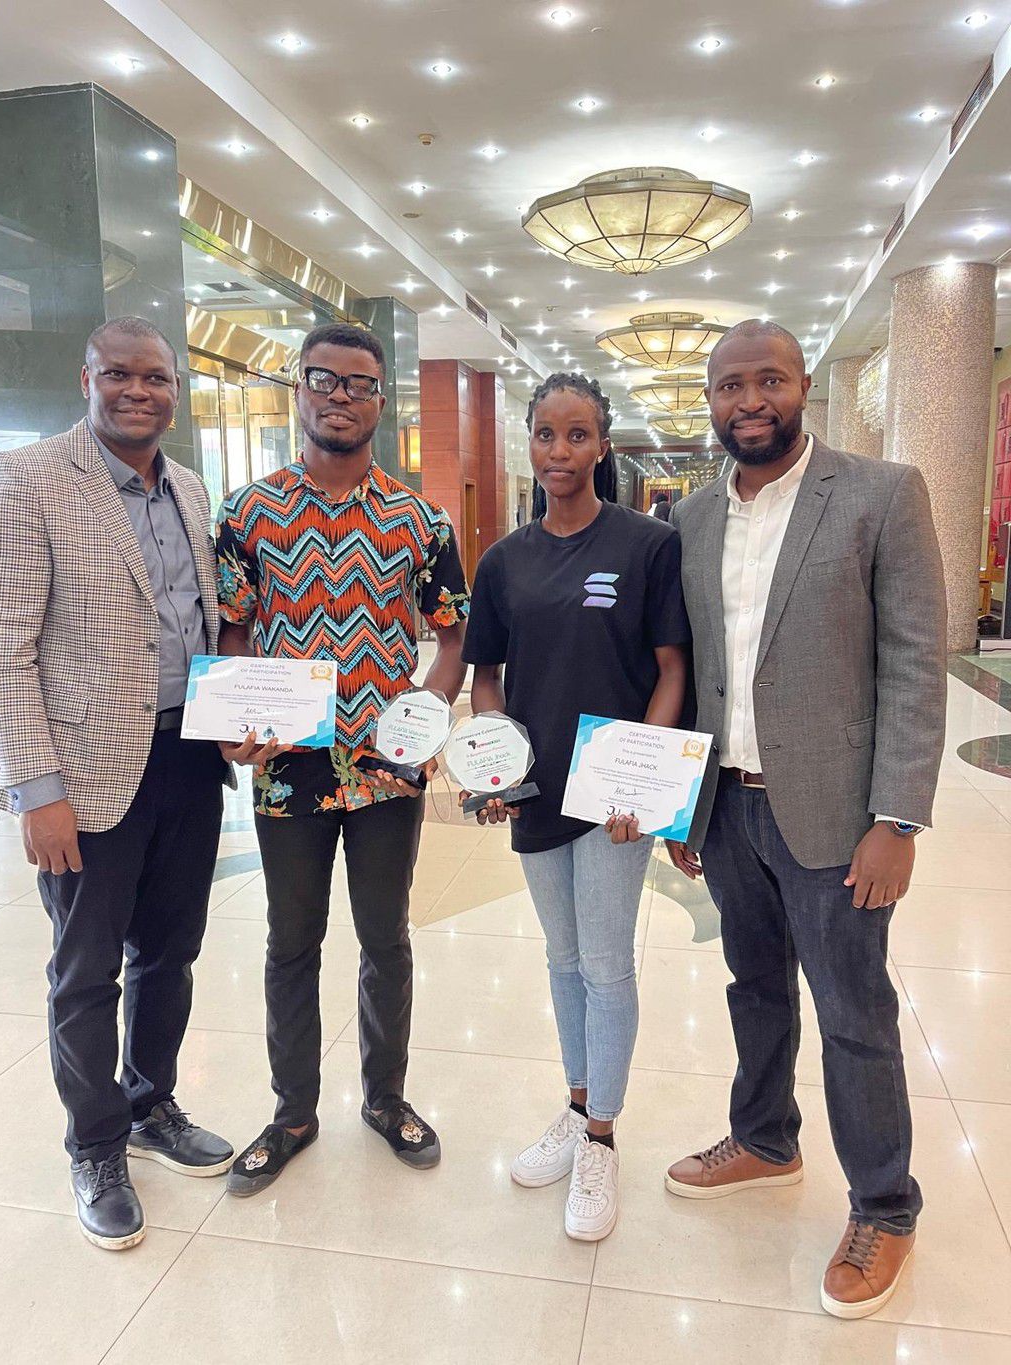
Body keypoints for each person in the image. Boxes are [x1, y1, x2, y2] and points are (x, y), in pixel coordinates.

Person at [664, 320, 947, 1319]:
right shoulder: (690, 517)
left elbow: (914, 661)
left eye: (769, 380)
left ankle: (884, 1204)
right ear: (710, 399)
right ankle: (764, 1138)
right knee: (754, 988)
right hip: (727, 804)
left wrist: (896, 819)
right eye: (729, 385)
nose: (750, 400)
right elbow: (690, 667)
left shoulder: (881, 494)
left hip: (835, 813)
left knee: (852, 1013)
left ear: (802, 383)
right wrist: (681, 802)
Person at [0, 318, 233, 1252]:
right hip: (84, 774)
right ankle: (94, 1146)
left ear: (175, 389)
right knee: (86, 969)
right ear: (85, 378)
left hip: (188, 758)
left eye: (155, 377)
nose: (139, 390)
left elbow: (201, 622)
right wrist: (36, 788)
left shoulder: (189, 488)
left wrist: (234, 719)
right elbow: (2, 651)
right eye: (120, 374)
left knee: (171, 950)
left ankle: (149, 1102)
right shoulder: (27, 479)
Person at [217, 322, 469, 1195]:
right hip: (288, 768)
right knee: (291, 942)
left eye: (359, 383)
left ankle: (386, 1098)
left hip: (386, 772)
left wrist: (425, 722)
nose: (340, 396)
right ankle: (292, 1112)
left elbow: (453, 634)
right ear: (299, 389)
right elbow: (232, 631)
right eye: (323, 379)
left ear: (380, 401)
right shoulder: (247, 513)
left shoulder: (418, 519)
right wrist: (235, 719)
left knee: (385, 939)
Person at [462, 373, 690, 1241]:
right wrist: (494, 763)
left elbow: (671, 668)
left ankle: (601, 1138)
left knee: (605, 964)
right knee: (562, 959)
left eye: (578, 434)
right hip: (537, 788)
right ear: (529, 441)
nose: (560, 451)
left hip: (612, 797)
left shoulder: (646, 545)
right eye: (546, 435)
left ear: (602, 444)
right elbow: (486, 677)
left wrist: (644, 779)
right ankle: (576, 1100)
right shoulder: (503, 560)